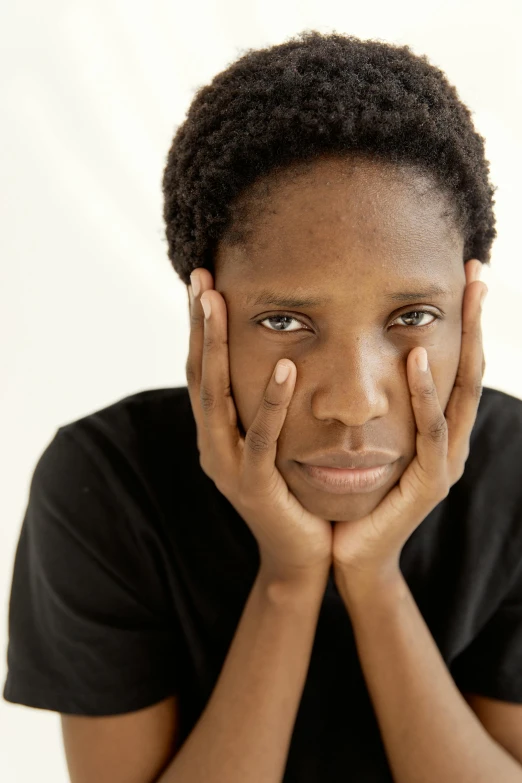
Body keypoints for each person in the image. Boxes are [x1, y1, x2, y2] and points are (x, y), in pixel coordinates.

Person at [4, 30, 522, 783]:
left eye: (411, 316)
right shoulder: (105, 486)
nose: (352, 402)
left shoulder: (514, 481)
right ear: (204, 312)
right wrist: (288, 574)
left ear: (468, 309)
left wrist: (374, 579)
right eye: (285, 322)